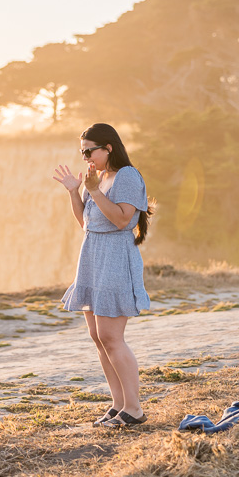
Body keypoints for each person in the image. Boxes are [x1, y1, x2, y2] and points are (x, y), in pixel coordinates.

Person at [52, 123, 153, 428]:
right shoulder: (95, 180)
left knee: (111, 337)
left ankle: (134, 409)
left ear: (108, 148)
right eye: (82, 152)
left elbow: (123, 220)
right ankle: (118, 404)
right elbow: (86, 222)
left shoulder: (127, 177)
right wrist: (75, 191)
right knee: (98, 337)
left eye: (89, 151)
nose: (85, 158)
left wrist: (94, 190)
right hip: (92, 256)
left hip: (115, 258)